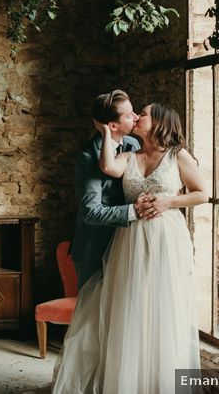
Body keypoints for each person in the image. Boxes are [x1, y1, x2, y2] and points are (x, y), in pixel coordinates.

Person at [53, 102, 209, 394]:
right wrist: (105, 132)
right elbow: (108, 167)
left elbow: (203, 194)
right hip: (131, 238)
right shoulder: (128, 155)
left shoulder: (177, 155)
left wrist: (168, 202)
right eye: (134, 114)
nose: (137, 117)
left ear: (160, 121)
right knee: (131, 304)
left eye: (144, 113)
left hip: (166, 238)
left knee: (163, 305)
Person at [70, 90, 152, 291]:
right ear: (112, 125)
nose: (136, 118)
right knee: (94, 316)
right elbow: (90, 212)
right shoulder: (88, 157)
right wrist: (134, 211)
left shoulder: (132, 144)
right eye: (128, 115)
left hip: (128, 244)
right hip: (96, 248)